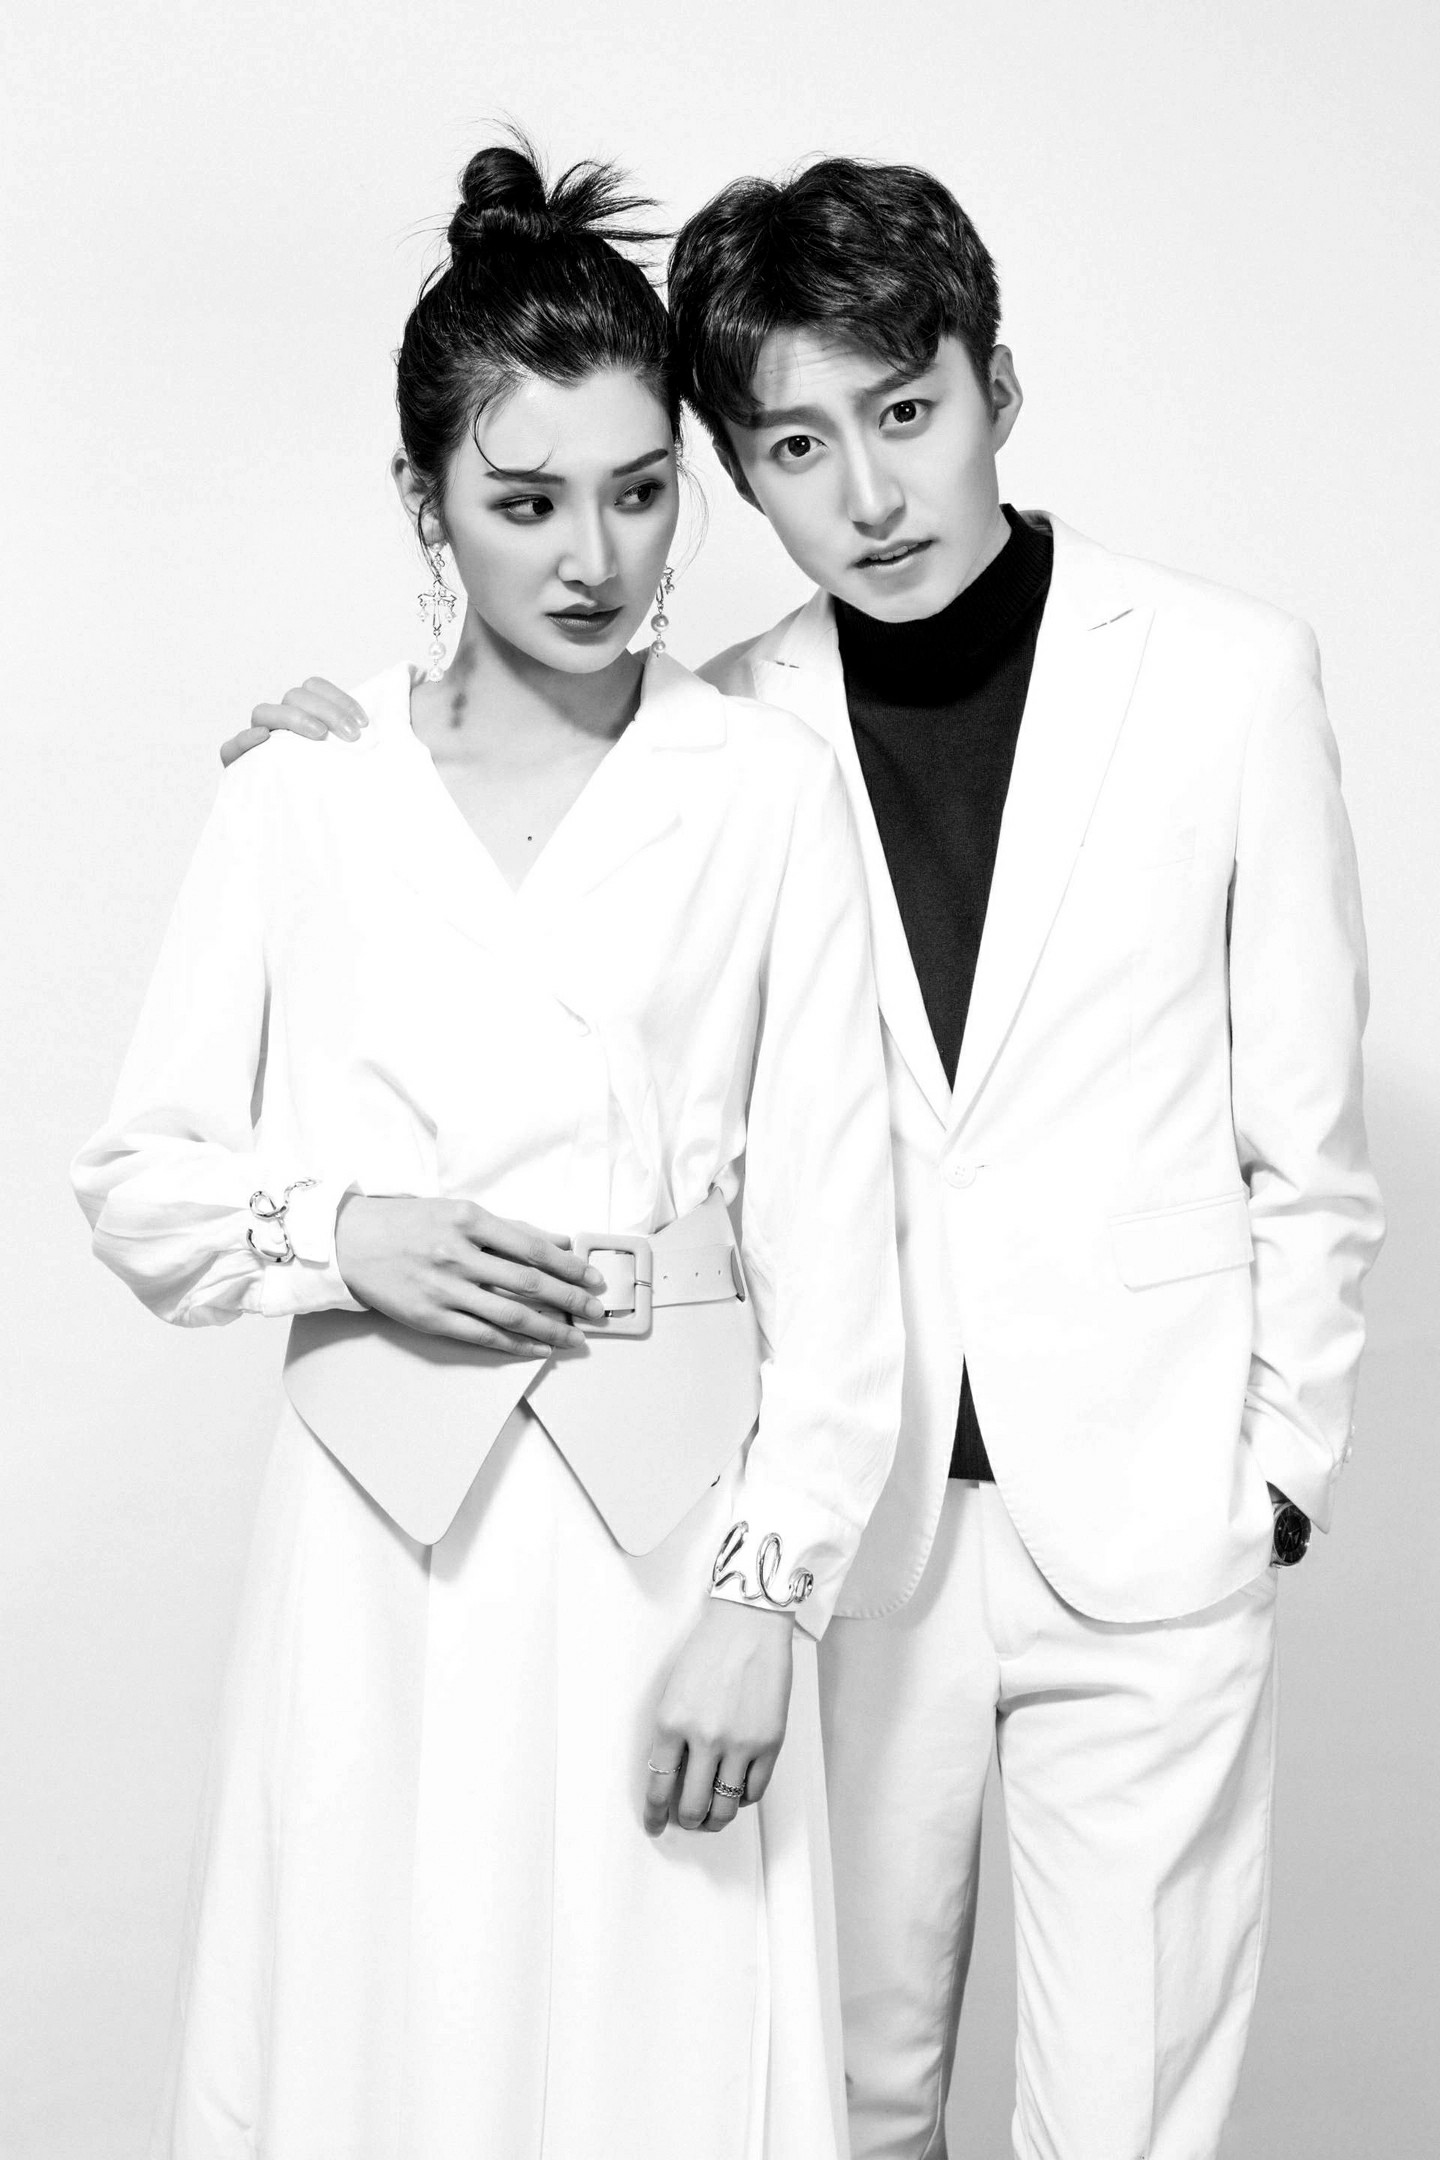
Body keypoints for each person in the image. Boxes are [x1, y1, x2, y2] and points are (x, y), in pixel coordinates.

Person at [242, 157, 1385, 2160]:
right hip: (848, 1546)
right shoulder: (721, 734)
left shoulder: (1228, 676)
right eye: (792, 445)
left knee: (1126, 2119)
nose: (869, 493)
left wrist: (1274, 1475)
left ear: (995, 387)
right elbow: (499, 789)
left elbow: (1309, 1132)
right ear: (737, 475)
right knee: (839, 2103)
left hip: (1153, 1520)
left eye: (906, 412)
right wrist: (340, 742)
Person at [74, 142, 902, 2160]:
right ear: (424, 500)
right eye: (527, 501)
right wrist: (340, 1231)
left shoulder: (765, 788)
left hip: (665, 1546)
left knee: (662, 2049)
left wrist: (767, 1603)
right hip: (380, 1546)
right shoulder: (309, 788)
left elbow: (837, 1247)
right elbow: (140, 1184)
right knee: (385, 2042)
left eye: (641, 491)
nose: (595, 557)